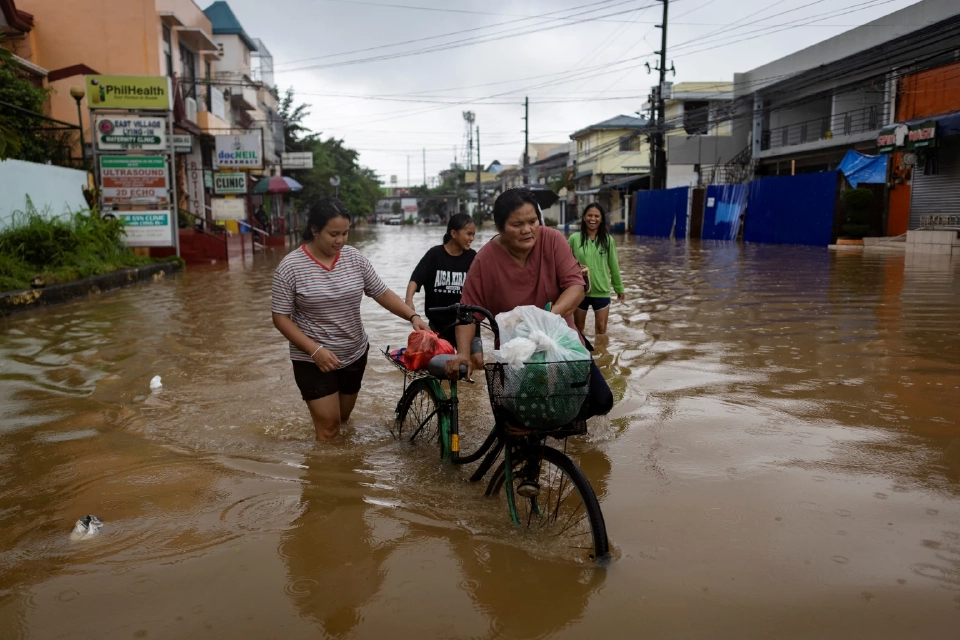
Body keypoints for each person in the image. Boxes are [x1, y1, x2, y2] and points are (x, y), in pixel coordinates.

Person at [272, 196, 430, 441]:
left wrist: (412, 316)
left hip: (354, 353)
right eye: (334, 234)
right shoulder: (290, 267)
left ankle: (342, 472)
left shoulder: (354, 258)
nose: (341, 240)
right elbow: (280, 318)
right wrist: (315, 351)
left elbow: (382, 293)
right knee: (329, 428)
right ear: (314, 229)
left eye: (345, 233)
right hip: (312, 358)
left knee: (342, 421)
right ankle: (324, 478)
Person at [444, 188, 585, 380]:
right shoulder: (484, 260)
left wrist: (544, 321)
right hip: (515, 359)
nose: (527, 230)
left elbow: (575, 287)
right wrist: (462, 353)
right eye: (517, 224)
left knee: (600, 402)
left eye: (532, 222)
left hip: (562, 350)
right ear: (500, 228)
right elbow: (468, 313)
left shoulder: (553, 241)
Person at [404, 213, 483, 367]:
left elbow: (485, 285)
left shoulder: (473, 257)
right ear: (453, 233)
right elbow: (416, 278)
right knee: (444, 365)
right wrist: (409, 300)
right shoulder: (435, 255)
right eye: (469, 234)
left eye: (474, 234)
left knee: (477, 363)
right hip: (440, 324)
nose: (472, 238)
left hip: (466, 322)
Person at [568, 203, 625, 336]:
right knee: (578, 330)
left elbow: (614, 266)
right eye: (589, 215)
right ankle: (583, 356)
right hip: (580, 290)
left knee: (601, 329)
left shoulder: (608, 240)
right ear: (583, 217)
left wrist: (619, 288)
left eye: (596, 216)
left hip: (602, 290)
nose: (592, 219)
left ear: (601, 219)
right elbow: (565, 264)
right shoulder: (574, 239)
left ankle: (600, 355)